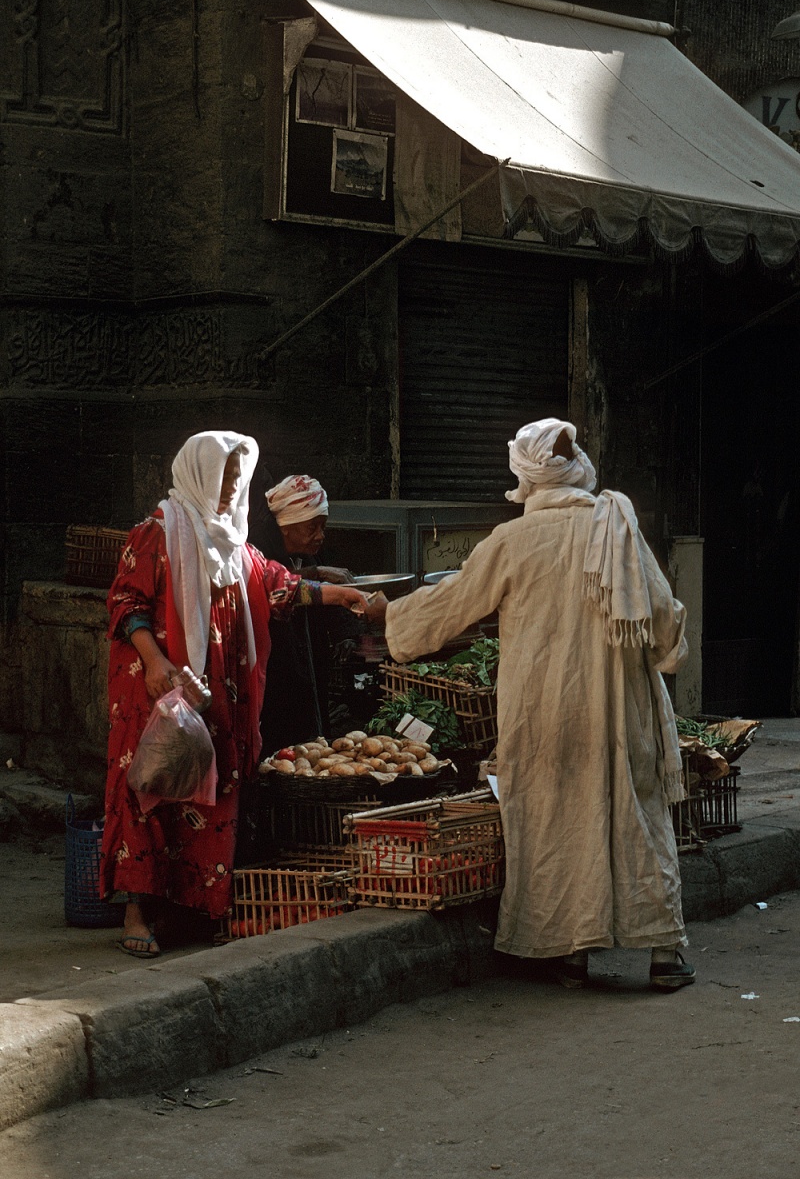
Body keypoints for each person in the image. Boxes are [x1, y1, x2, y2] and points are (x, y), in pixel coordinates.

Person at [369, 418, 695, 991]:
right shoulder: (616, 524)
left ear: (525, 475)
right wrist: (664, 654)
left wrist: (388, 613)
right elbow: (664, 613)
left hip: (544, 708)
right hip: (622, 708)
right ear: (576, 467)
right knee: (637, 817)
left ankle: (568, 952)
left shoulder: (511, 540)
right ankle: (663, 954)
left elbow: (453, 603)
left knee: (555, 820)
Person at [100, 432, 369, 957]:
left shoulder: (234, 542)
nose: (230, 489)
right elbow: (126, 602)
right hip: (158, 688)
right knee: (152, 786)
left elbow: (278, 586)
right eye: (223, 478)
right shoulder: (156, 533)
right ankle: (137, 910)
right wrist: (155, 662)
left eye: (236, 479)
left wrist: (347, 596)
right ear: (198, 474)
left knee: (211, 787)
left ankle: (190, 908)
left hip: (218, 693)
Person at [248, 474, 354, 753]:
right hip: (275, 656)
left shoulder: (311, 550)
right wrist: (315, 574)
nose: (320, 535)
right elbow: (265, 583)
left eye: (323, 526)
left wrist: (344, 633)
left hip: (308, 651)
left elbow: (328, 594)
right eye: (312, 527)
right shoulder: (257, 546)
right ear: (286, 526)